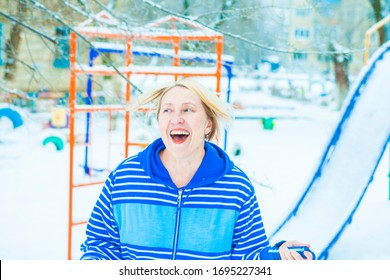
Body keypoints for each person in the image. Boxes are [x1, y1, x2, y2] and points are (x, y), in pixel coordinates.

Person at [80, 78, 315, 260]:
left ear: (208, 125)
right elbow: (101, 244)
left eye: (187, 110)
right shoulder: (125, 179)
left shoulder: (235, 187)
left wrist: (278, 257)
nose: (176, 118)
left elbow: (247, 259)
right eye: (168, 110)